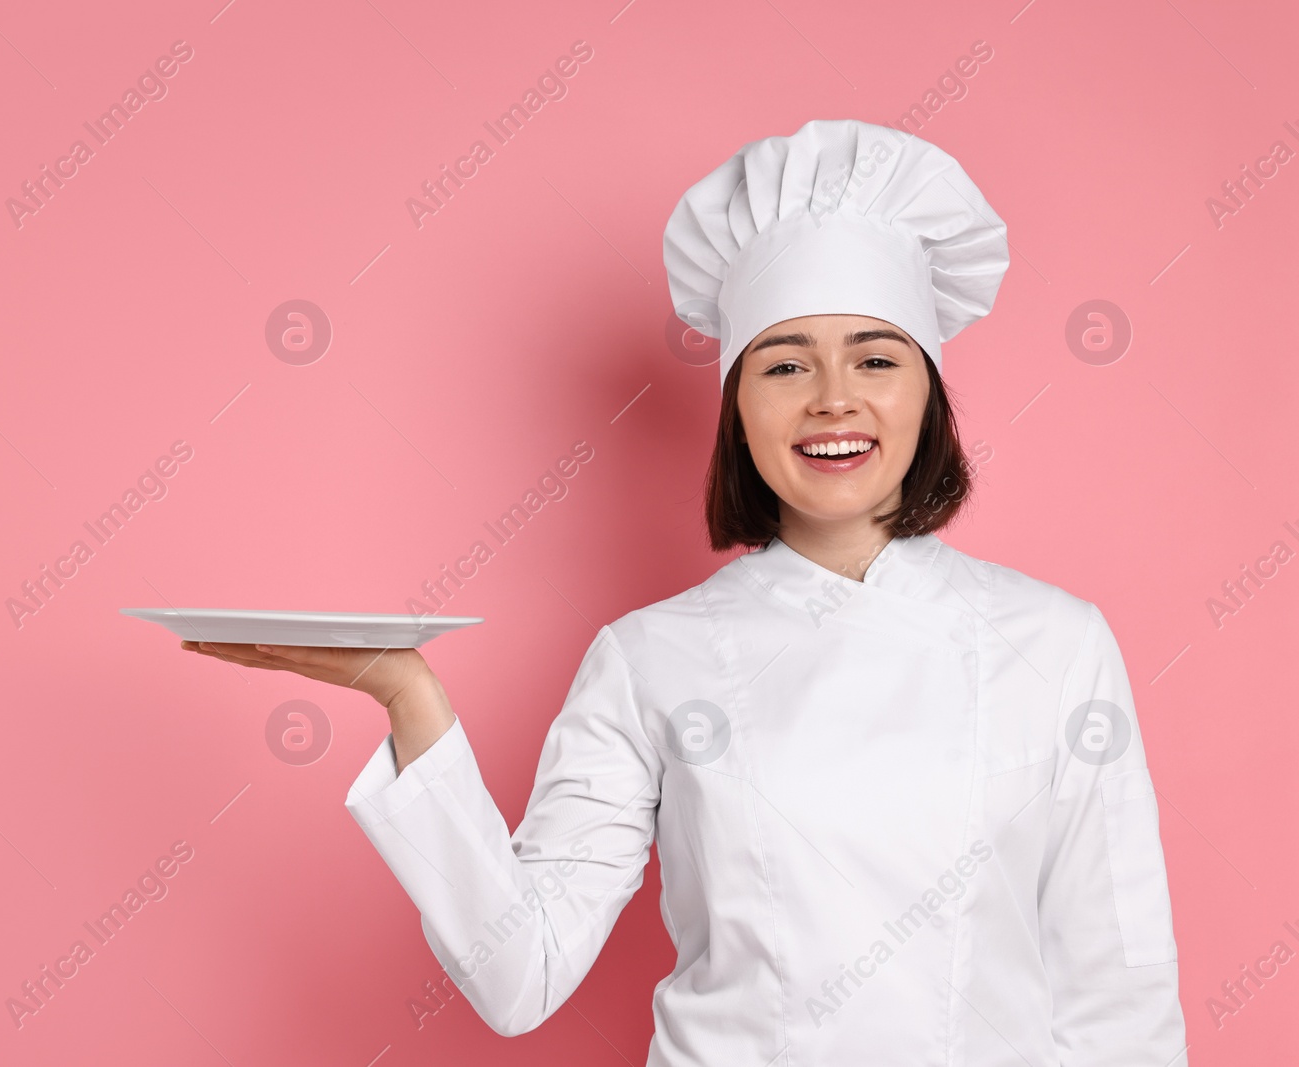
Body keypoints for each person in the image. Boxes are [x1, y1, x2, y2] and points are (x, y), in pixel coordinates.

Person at [185, 119, 1189, 1065]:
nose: (832, 396)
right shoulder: (649, 658)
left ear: (926, 392)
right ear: (736, 409)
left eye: (875, 358)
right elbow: (516, 970)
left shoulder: (1053, 641)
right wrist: (408, 695)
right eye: (785, 363)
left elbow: (1122, 991)